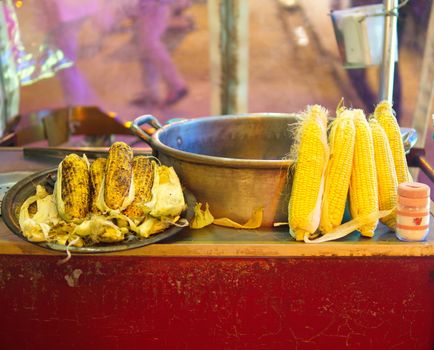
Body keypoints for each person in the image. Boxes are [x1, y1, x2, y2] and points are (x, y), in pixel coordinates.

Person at [132, 0, 190, 107]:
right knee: (146, 47)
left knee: (151, 44)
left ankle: (176, 86)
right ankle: (151, 92)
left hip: (156, 6)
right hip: (149, 6)